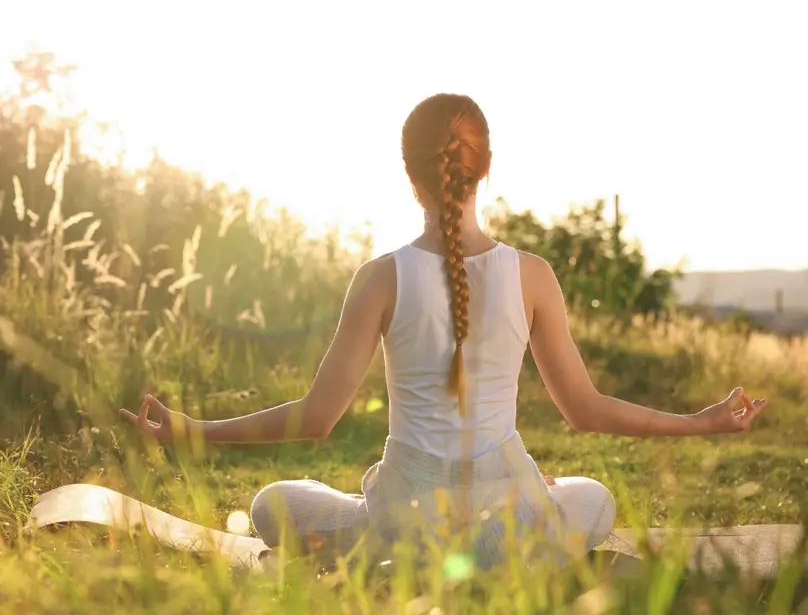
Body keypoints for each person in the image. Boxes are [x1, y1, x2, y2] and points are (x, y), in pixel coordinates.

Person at [119, 93, 768, 569]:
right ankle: (513, 532)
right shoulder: (533, 275)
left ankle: (373, 516)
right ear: (486, 167)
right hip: (510, 529)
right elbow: (588, 410)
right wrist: (703, 421)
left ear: (410, 176)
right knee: (591, 497)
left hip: (404, 530)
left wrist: (191, 430)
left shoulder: (380, 278)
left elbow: (316, 418)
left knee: (271, 505)